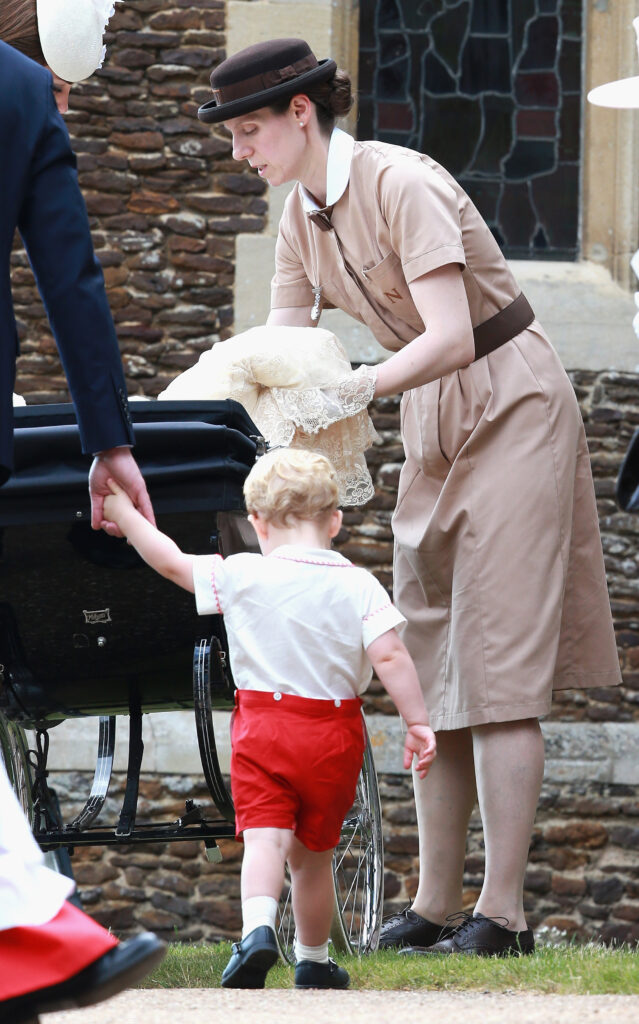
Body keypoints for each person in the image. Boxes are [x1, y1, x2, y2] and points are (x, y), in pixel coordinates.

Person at [195, 38, 623, 957]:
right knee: (423, 653)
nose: (240, 151)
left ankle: (501, 915)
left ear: (300, 114)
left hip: (508, 396)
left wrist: (353, 388)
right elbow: (281, 348)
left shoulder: (401, 182)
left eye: (248, 131)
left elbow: (451, 334)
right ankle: (433, 904)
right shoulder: (298, 217)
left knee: (498, 663)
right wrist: (256, 438)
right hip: (425, 406)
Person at [103, 447, 437, 988]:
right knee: (312, 858)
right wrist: (417, 722)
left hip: (264, 729)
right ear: (335, 520)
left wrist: (123, 513)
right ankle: (312, 960)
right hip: (333, 734)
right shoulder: (358, 584)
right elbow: (392, 656)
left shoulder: (241, 574)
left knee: (264, 840)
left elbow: (168, 561)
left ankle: (257, 930)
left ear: (255, 523)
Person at [0, 4, 164, 1021]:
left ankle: (31, 933)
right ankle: (30, 932)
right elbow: (74, 280)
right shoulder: (19, 94)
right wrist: (111, 441)